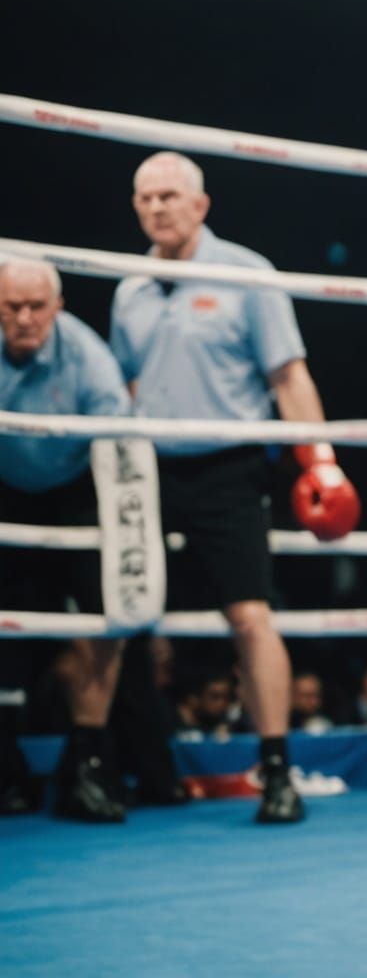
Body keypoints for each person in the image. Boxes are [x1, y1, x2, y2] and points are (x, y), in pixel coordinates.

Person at [110, 151, 361, 824]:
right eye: (145, 197)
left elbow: (289, 377)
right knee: (125, 616)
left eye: (169, 196)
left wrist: (322, 461)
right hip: (151, 469)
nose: (156, 207)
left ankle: (276, 769)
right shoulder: (127, 287)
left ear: (200, 205)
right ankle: (136, 766)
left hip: (230, 465)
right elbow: (127, 388)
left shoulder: (245, 273)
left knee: (249, 616)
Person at [0, 257, 133, 822]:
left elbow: (124, 440)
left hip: (77, 487)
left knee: (108, 622)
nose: (25, 318)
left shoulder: (89, 357)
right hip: (4, 485)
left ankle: (84, 765)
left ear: (58, 308)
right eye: (12, 307)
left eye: (37, 307)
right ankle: (6, 768)